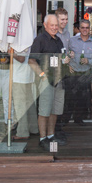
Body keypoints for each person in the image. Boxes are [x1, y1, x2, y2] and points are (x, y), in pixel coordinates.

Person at [29, 14, 66, 151]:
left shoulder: (59, 40)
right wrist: (42, 75)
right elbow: (31, 61)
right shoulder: (39, 40)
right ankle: (42, 138)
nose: (55, 27)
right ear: (45, 25)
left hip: (59, 79)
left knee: (55, 110)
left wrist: (66, 60)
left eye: (56, 25)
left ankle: (51, 136)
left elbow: (61, 57)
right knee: (44, 110)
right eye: (52, 25)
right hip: (46, 80)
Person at [63, 19, 92, 126]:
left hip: (85, 73)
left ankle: (78, 119)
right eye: (82, 27)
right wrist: (68, 62)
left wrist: (89, 61)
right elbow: (65, 54)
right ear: (79, 29)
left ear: (90, 29)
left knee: (83, 97)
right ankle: (65, 119)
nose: (85, 30)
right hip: (72, 72)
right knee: (69, 97)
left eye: (87, 28)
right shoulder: (71, 40)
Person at [11, 49, 39, 140]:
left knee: (20, 106)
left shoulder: (19, 42)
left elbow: (21, 58)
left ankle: (22, 132)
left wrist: (10, 53)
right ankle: (33, 128)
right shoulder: (30, 37)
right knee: (29, 104)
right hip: (28, 75)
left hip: (19, 76)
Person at [55, 7, 71, 140]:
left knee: (64, 101)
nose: (65, 22)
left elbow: (67, 50)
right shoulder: (52, 34)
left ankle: (59, 127)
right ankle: (55, 129)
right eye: (62, 19)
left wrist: (70, 55)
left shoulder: (67, 34)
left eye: (66, 19)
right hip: (54, 72)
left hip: (65, 71)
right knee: (55, 101)